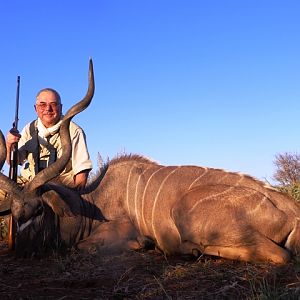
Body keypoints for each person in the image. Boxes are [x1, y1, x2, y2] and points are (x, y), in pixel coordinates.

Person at [5, 88, 93, 190]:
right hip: (29, 186)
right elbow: (13, 162)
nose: (48, 109)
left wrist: (75, 198)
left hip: (60, 189)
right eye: (42, 105)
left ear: (60, 107)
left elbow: (82, 173)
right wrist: (9, 144)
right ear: (35, 108)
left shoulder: (74, 131)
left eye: (54, 104)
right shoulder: (29, 129)